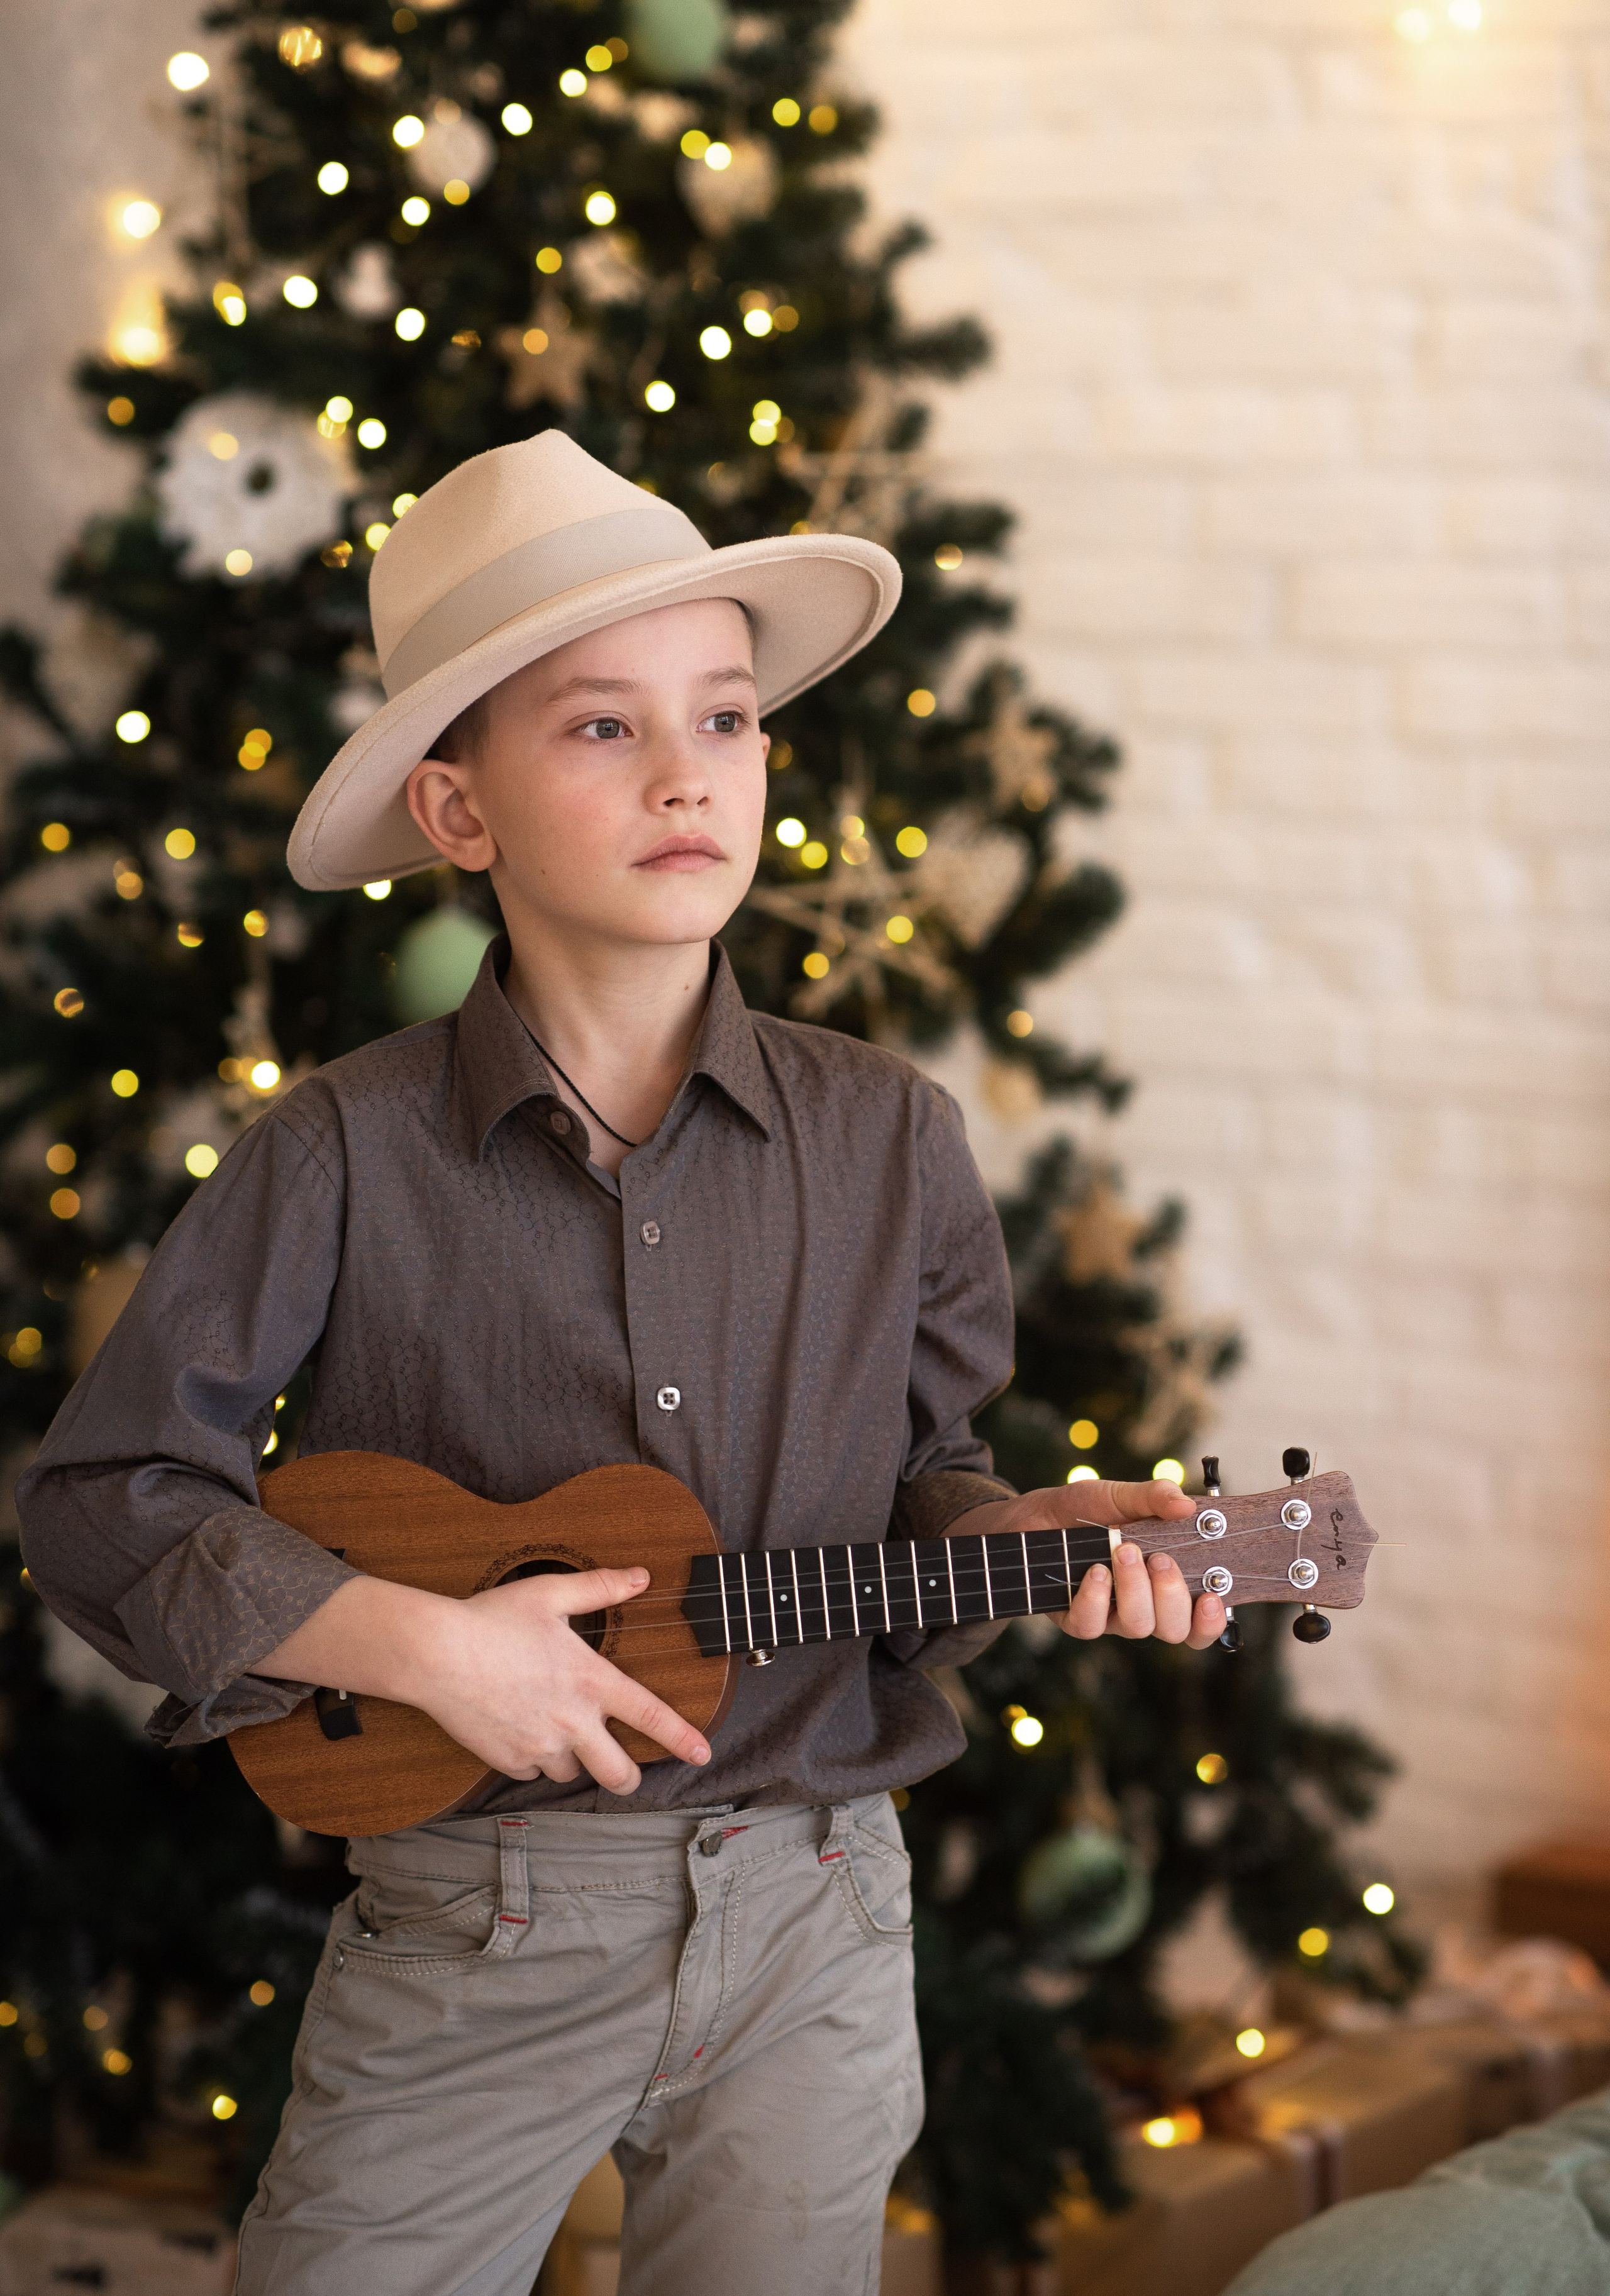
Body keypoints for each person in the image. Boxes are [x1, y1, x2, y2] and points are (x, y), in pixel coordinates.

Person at [18, 431, 1225, 2296]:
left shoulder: (892, 1137)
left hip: (818, 1909)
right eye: (603, 727)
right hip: (476, 1923)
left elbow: (929, 1483)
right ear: (457, 811)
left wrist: (1020, 1540)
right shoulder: (338, 1151)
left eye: (727, 717)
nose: (688, 773)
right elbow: (105, 1500)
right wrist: (427, 1648)